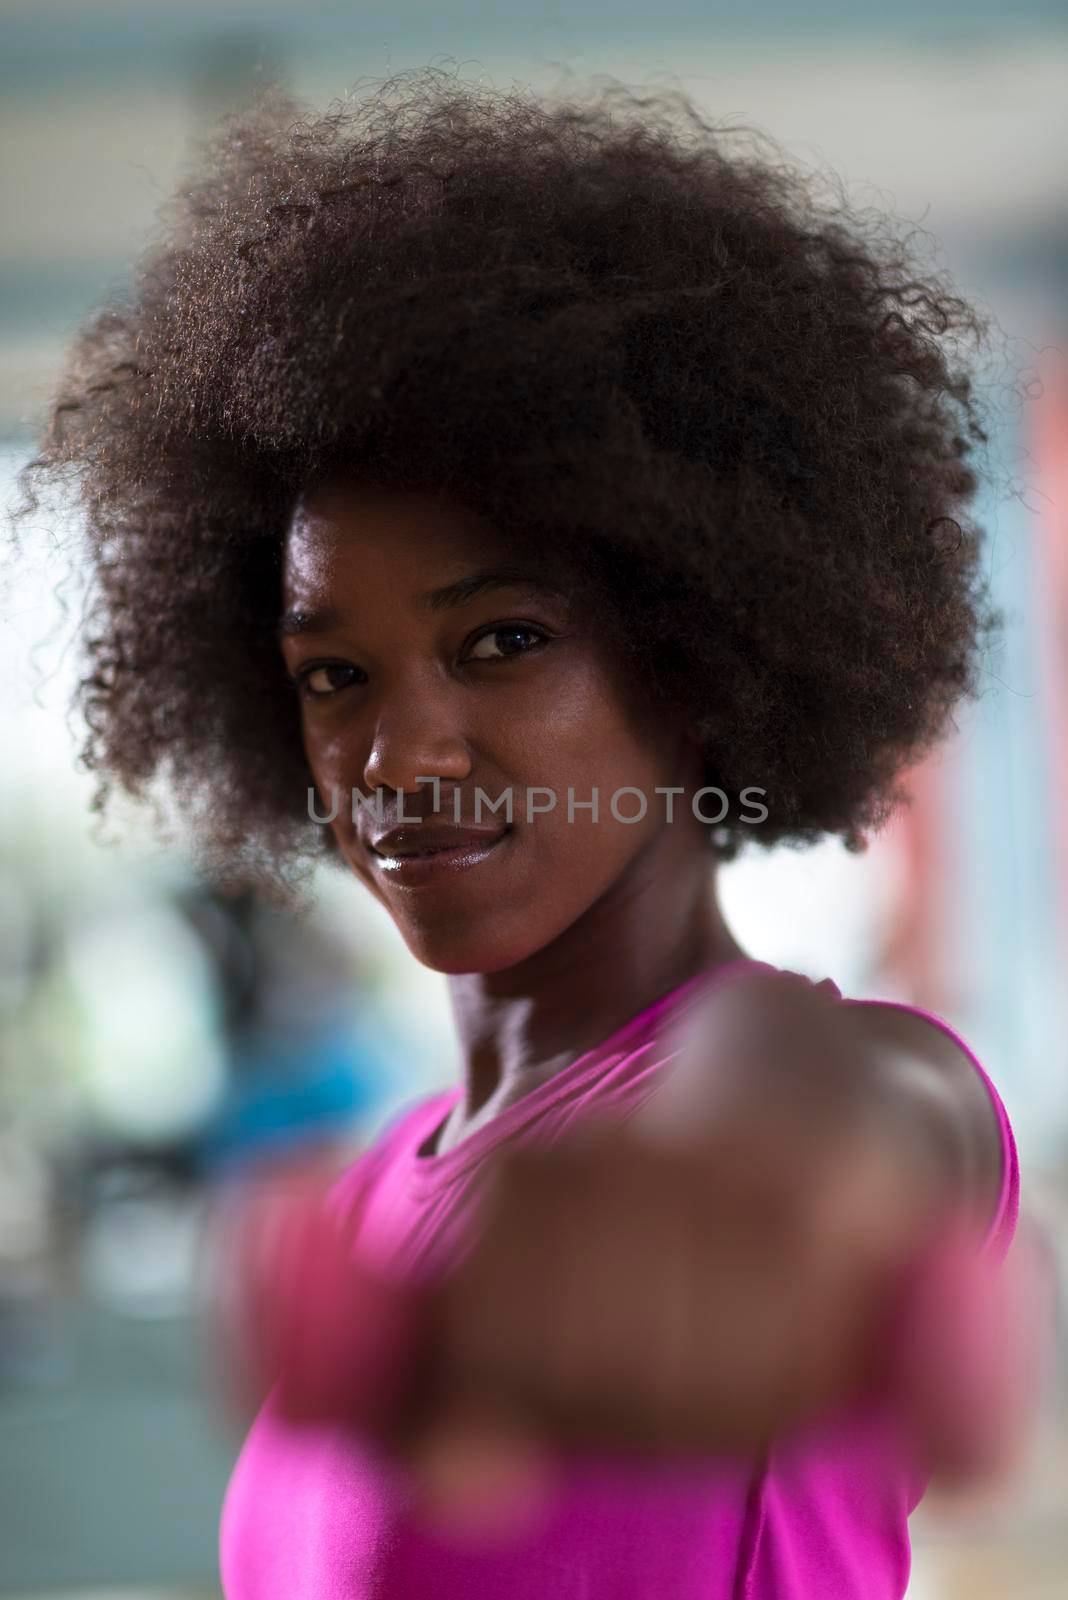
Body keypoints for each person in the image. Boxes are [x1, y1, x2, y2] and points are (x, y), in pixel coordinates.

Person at [12, 64, 1035, 1600]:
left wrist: (747, 1202)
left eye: (501, 641)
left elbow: (826, 1126)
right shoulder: (378, 1186)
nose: (397, 750)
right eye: (334, 675)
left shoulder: (846, 1083)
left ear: (692, 657)